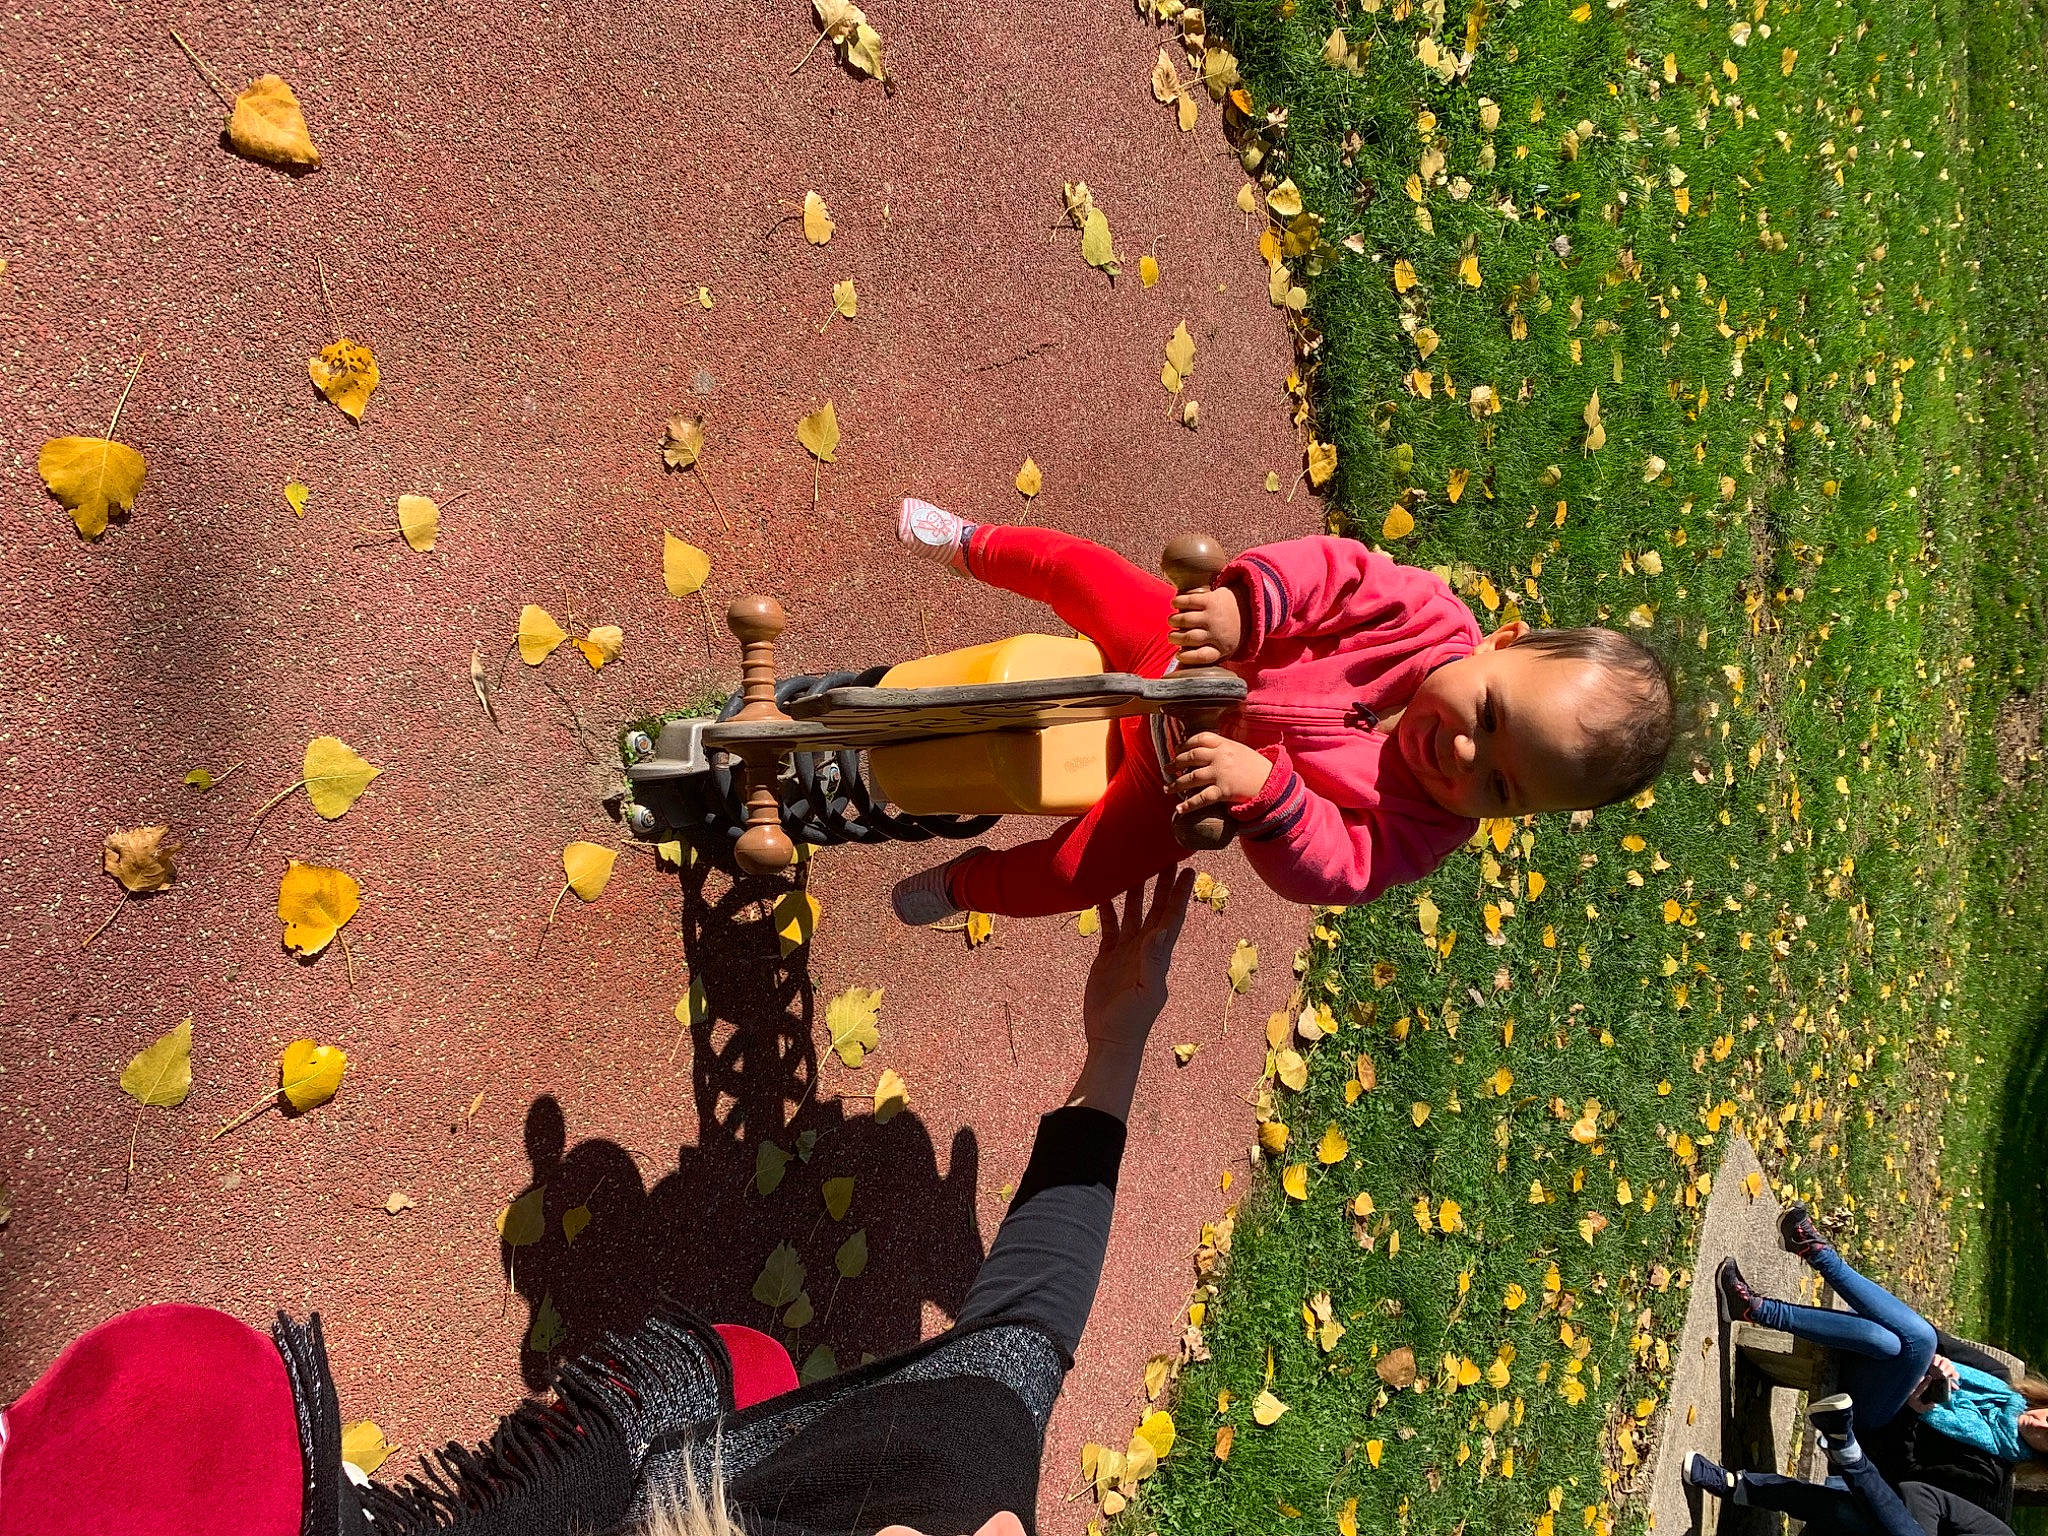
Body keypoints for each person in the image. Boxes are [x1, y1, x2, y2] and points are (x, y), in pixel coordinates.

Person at [0, 872, 1197, 1536]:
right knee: (741, 1364)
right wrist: (1114, 1050)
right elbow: (1032, 1320)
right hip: (678, 1464)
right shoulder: (967, 1456)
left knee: (181, 1399)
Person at [887, 504, 1675, 923]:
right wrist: (1242, 607)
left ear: (1519, 815)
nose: (1467, 755)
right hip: (1179, 651)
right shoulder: (1427, 618)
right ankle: (973, 543)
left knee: (1069, 875)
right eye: (1494, 717)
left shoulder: (1425, 827)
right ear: (1501, 642)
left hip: (1178, 785)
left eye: (1502, 789)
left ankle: (969, 885)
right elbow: (1336, 575)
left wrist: (1267, 797)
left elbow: (1340, 868)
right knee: (1081, 570)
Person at [1719, 1203, 2048, 1459]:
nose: (2041, 1425)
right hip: (1877, 1351)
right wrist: (1934, 1362)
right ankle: (1756, 1308)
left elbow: (1904, 1472)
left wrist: (1916, 1412)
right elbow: (1933, 1338)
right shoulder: (1998, 1376)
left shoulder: (1991, 1463)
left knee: (1915, 1340)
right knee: (1891, 1341)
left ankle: (1814, 1253)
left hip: (1875, 1416)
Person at [1684, 1394, 2014, 1536]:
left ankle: (1848, 1452)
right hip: (1870, 1516)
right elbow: (1921, 1494)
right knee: (1857, 1516)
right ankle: (1737, 1485)